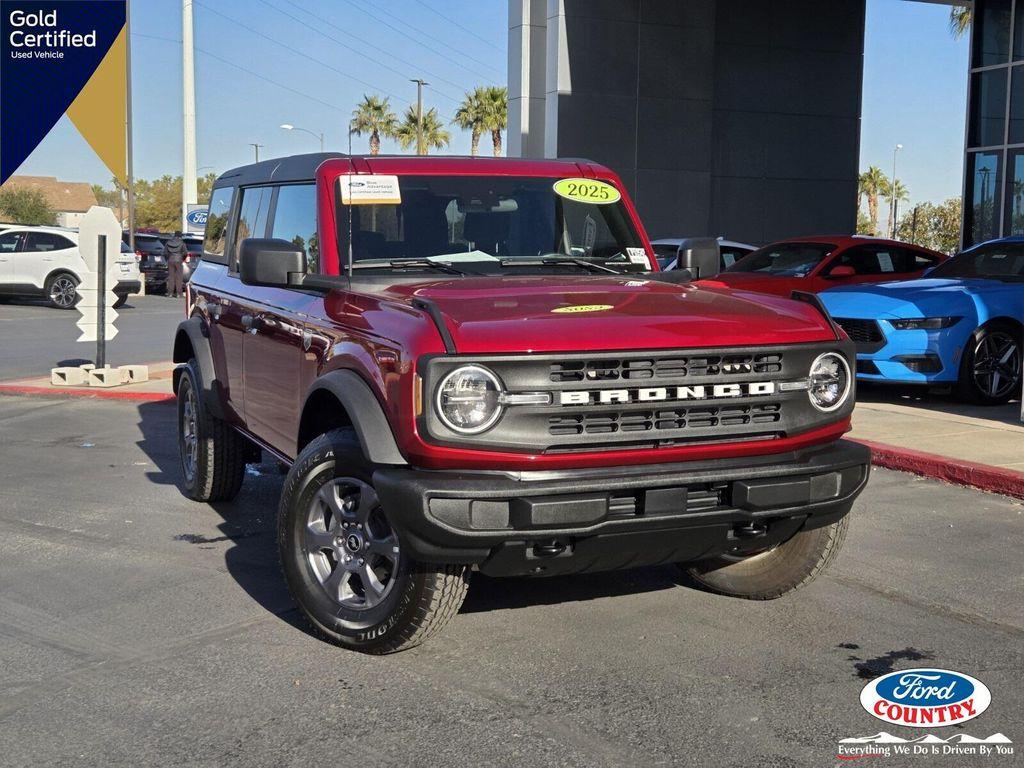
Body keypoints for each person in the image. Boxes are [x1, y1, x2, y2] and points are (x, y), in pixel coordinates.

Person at [164, 231, 186, 298]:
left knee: (171, 277)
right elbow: (185, 252)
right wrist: (182, 258)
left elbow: (165, 253)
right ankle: (179, 294)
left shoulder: (168, 242)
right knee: (179, 277)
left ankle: (170, 293)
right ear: (180, 236)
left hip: (170, 260)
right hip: (179, 260)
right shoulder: (182, 243)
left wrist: (168, 258)